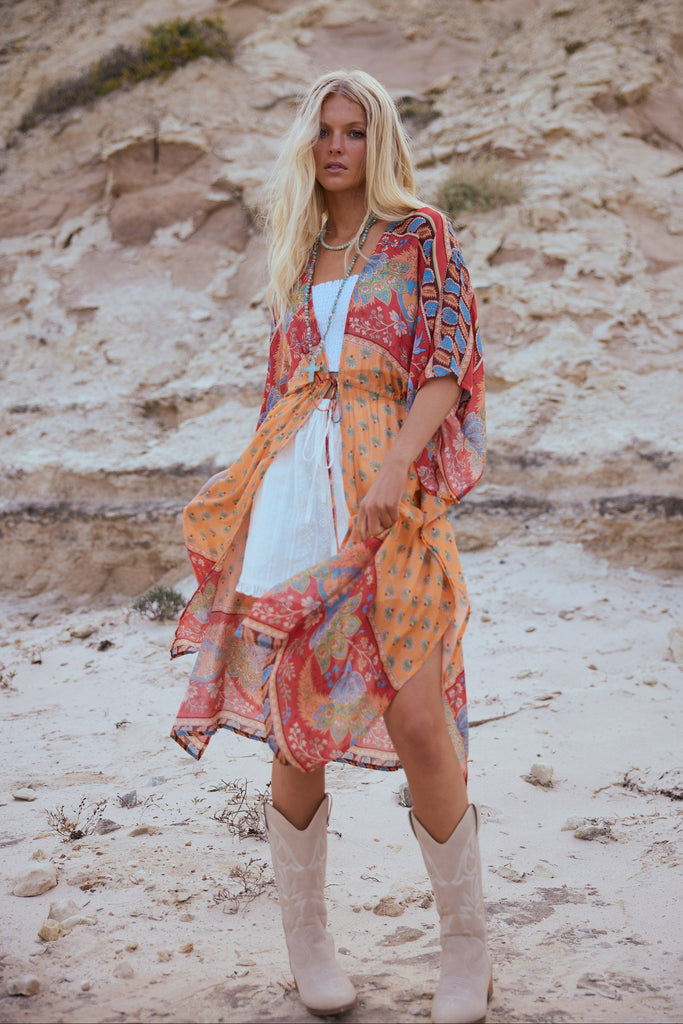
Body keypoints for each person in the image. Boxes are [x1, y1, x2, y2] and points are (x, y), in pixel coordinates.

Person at [170, 69, 490, 1024]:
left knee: (419, 718)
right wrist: (247, 499)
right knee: (292, 722)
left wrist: (395, 468)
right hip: (291, 496)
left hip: (385, 490)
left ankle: (466, 954)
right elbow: (280, 390)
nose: (338, 146)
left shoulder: (422, 234)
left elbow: (448, 359)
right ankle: (309, 949)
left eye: (354, 130)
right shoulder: (300, 253)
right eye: (325, 132)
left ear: (378, 139)